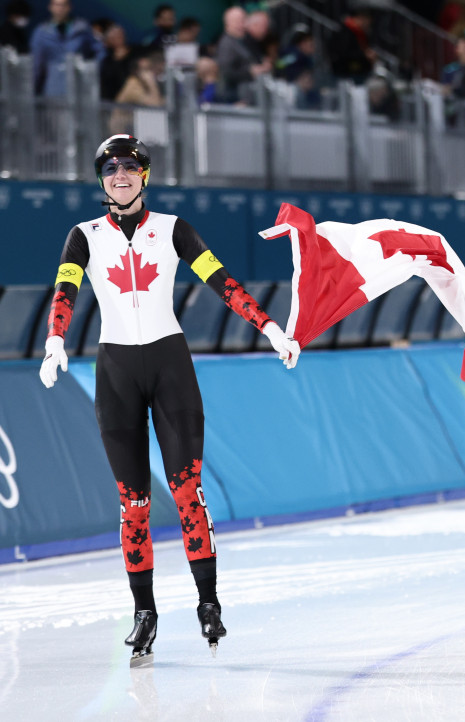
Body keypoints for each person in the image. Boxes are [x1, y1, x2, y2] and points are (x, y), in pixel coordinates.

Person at [37, 134, 300, 666]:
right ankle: (144, 612)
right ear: (101, 180)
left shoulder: (173, 228)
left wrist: (269, 327)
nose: (119, 175)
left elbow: (222, 282)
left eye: (129, 166)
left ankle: (208, 602)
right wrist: (54, 341)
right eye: (110, 168)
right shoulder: (84, 236)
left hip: (169, 367)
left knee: (186, 493)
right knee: (133, 504)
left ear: (145, 175)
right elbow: (65, 292)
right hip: (116, 372)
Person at [30, 0, 104, 97]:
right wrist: (34, 90)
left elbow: (99, 51)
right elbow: (37, 64)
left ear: (69, 7)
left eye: (63, 5)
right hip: (53, 86)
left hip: (79, 84)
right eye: (57, 5)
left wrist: (90, 71)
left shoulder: (82, 28)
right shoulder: (41, 32)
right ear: (50, 7)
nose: (60, 8)